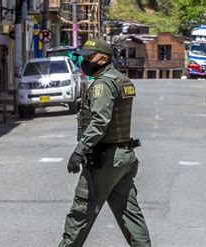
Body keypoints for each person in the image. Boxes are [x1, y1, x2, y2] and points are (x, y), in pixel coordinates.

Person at [59, 38, 151, 247]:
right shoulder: (120, 79)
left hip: (105, 160)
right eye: (83, 57)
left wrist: (79, 151)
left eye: (89, 57)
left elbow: (100, 122)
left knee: (81, 213)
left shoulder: (103, 85)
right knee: (130, 214)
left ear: (104, 58)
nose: (84, 61)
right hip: (123, 158)